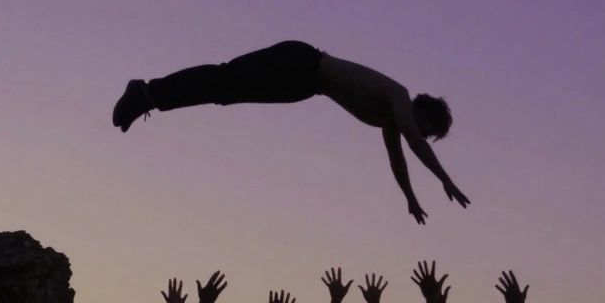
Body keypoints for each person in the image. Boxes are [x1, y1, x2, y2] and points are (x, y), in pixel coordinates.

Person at [110, 40, 469, 225]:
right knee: (226, 78)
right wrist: (445, 180)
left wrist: (410, 197)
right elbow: (414, 142)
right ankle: (144, 91)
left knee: (225, 93)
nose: (423, 134)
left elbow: (398, 158)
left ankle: (149, 99)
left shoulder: (390, 120)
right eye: (429, 128)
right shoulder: (399, 97)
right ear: (423, 110)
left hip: (303, 86)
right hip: (300, 62)